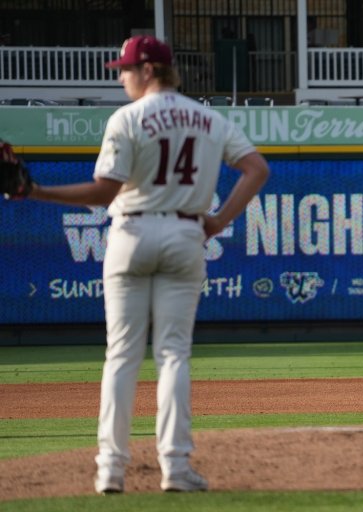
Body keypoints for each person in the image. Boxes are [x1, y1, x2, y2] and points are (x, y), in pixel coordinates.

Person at [26, 35, 270, 493]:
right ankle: (176, 468)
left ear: (149, 71)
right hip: (185, 233)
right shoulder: (209, 118)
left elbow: (103, 193)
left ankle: (109, 471)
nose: (121, 77)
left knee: (120, 355)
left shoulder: (128, 117)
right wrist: (218, 220)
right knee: (173, 353)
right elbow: (257, 168)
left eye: (125, 69)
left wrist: (36, 192)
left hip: (132, 233)